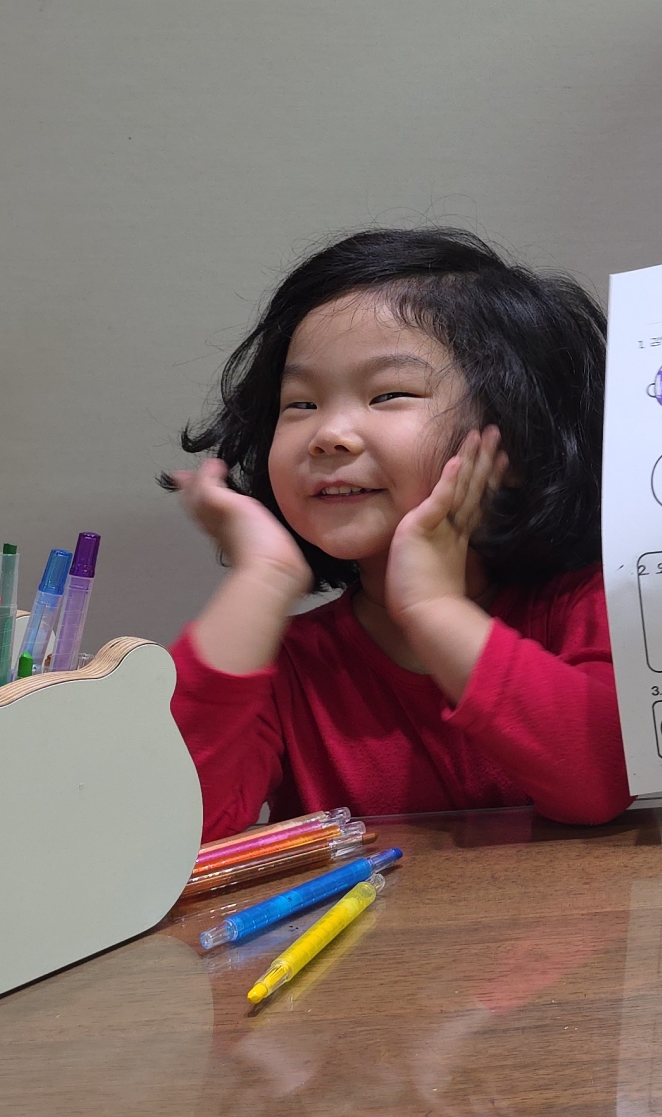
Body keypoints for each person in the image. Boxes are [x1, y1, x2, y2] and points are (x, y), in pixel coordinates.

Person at [163, 228, 630, 836]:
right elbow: (179, 828)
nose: (328, 435)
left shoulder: (588, 607)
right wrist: (263, 576)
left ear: (516, 437)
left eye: (388, 394)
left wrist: (433, 606)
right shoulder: (285, 663)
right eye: (300, 404)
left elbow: (600, 784)